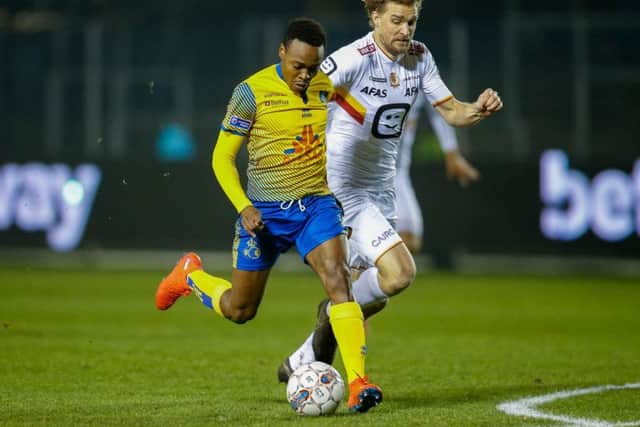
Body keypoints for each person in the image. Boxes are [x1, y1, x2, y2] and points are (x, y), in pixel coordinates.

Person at [154, 17, 383, 413]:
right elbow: (221, 157)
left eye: (313, 67)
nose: (305, 75)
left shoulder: (324, 87)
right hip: (263, 215)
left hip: (316, 205)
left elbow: (360, 116)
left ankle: (359, 383)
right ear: (282, 52)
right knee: (240, 310)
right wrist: (244, 207)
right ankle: (190, 276)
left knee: (338, 281)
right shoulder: (251, 92)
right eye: (298, 66)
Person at [277, 0, 503, 382]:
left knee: (371, 298)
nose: (405, 29)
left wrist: (478, 108)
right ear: (375, 17)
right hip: (345, 189)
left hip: (384, 190)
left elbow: (451, 111)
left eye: (411, 21)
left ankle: (302, 359)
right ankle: (349, 375)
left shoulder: (419, 57)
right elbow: (300, 97)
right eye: (396, 21)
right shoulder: (353, 59)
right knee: (399, 274)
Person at [396, 92, 480, 254]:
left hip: (397, 173)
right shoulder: (364, 70)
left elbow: (440, 108)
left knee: (409, 242)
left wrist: (451, 152)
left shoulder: (421, 70)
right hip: (358, 170)